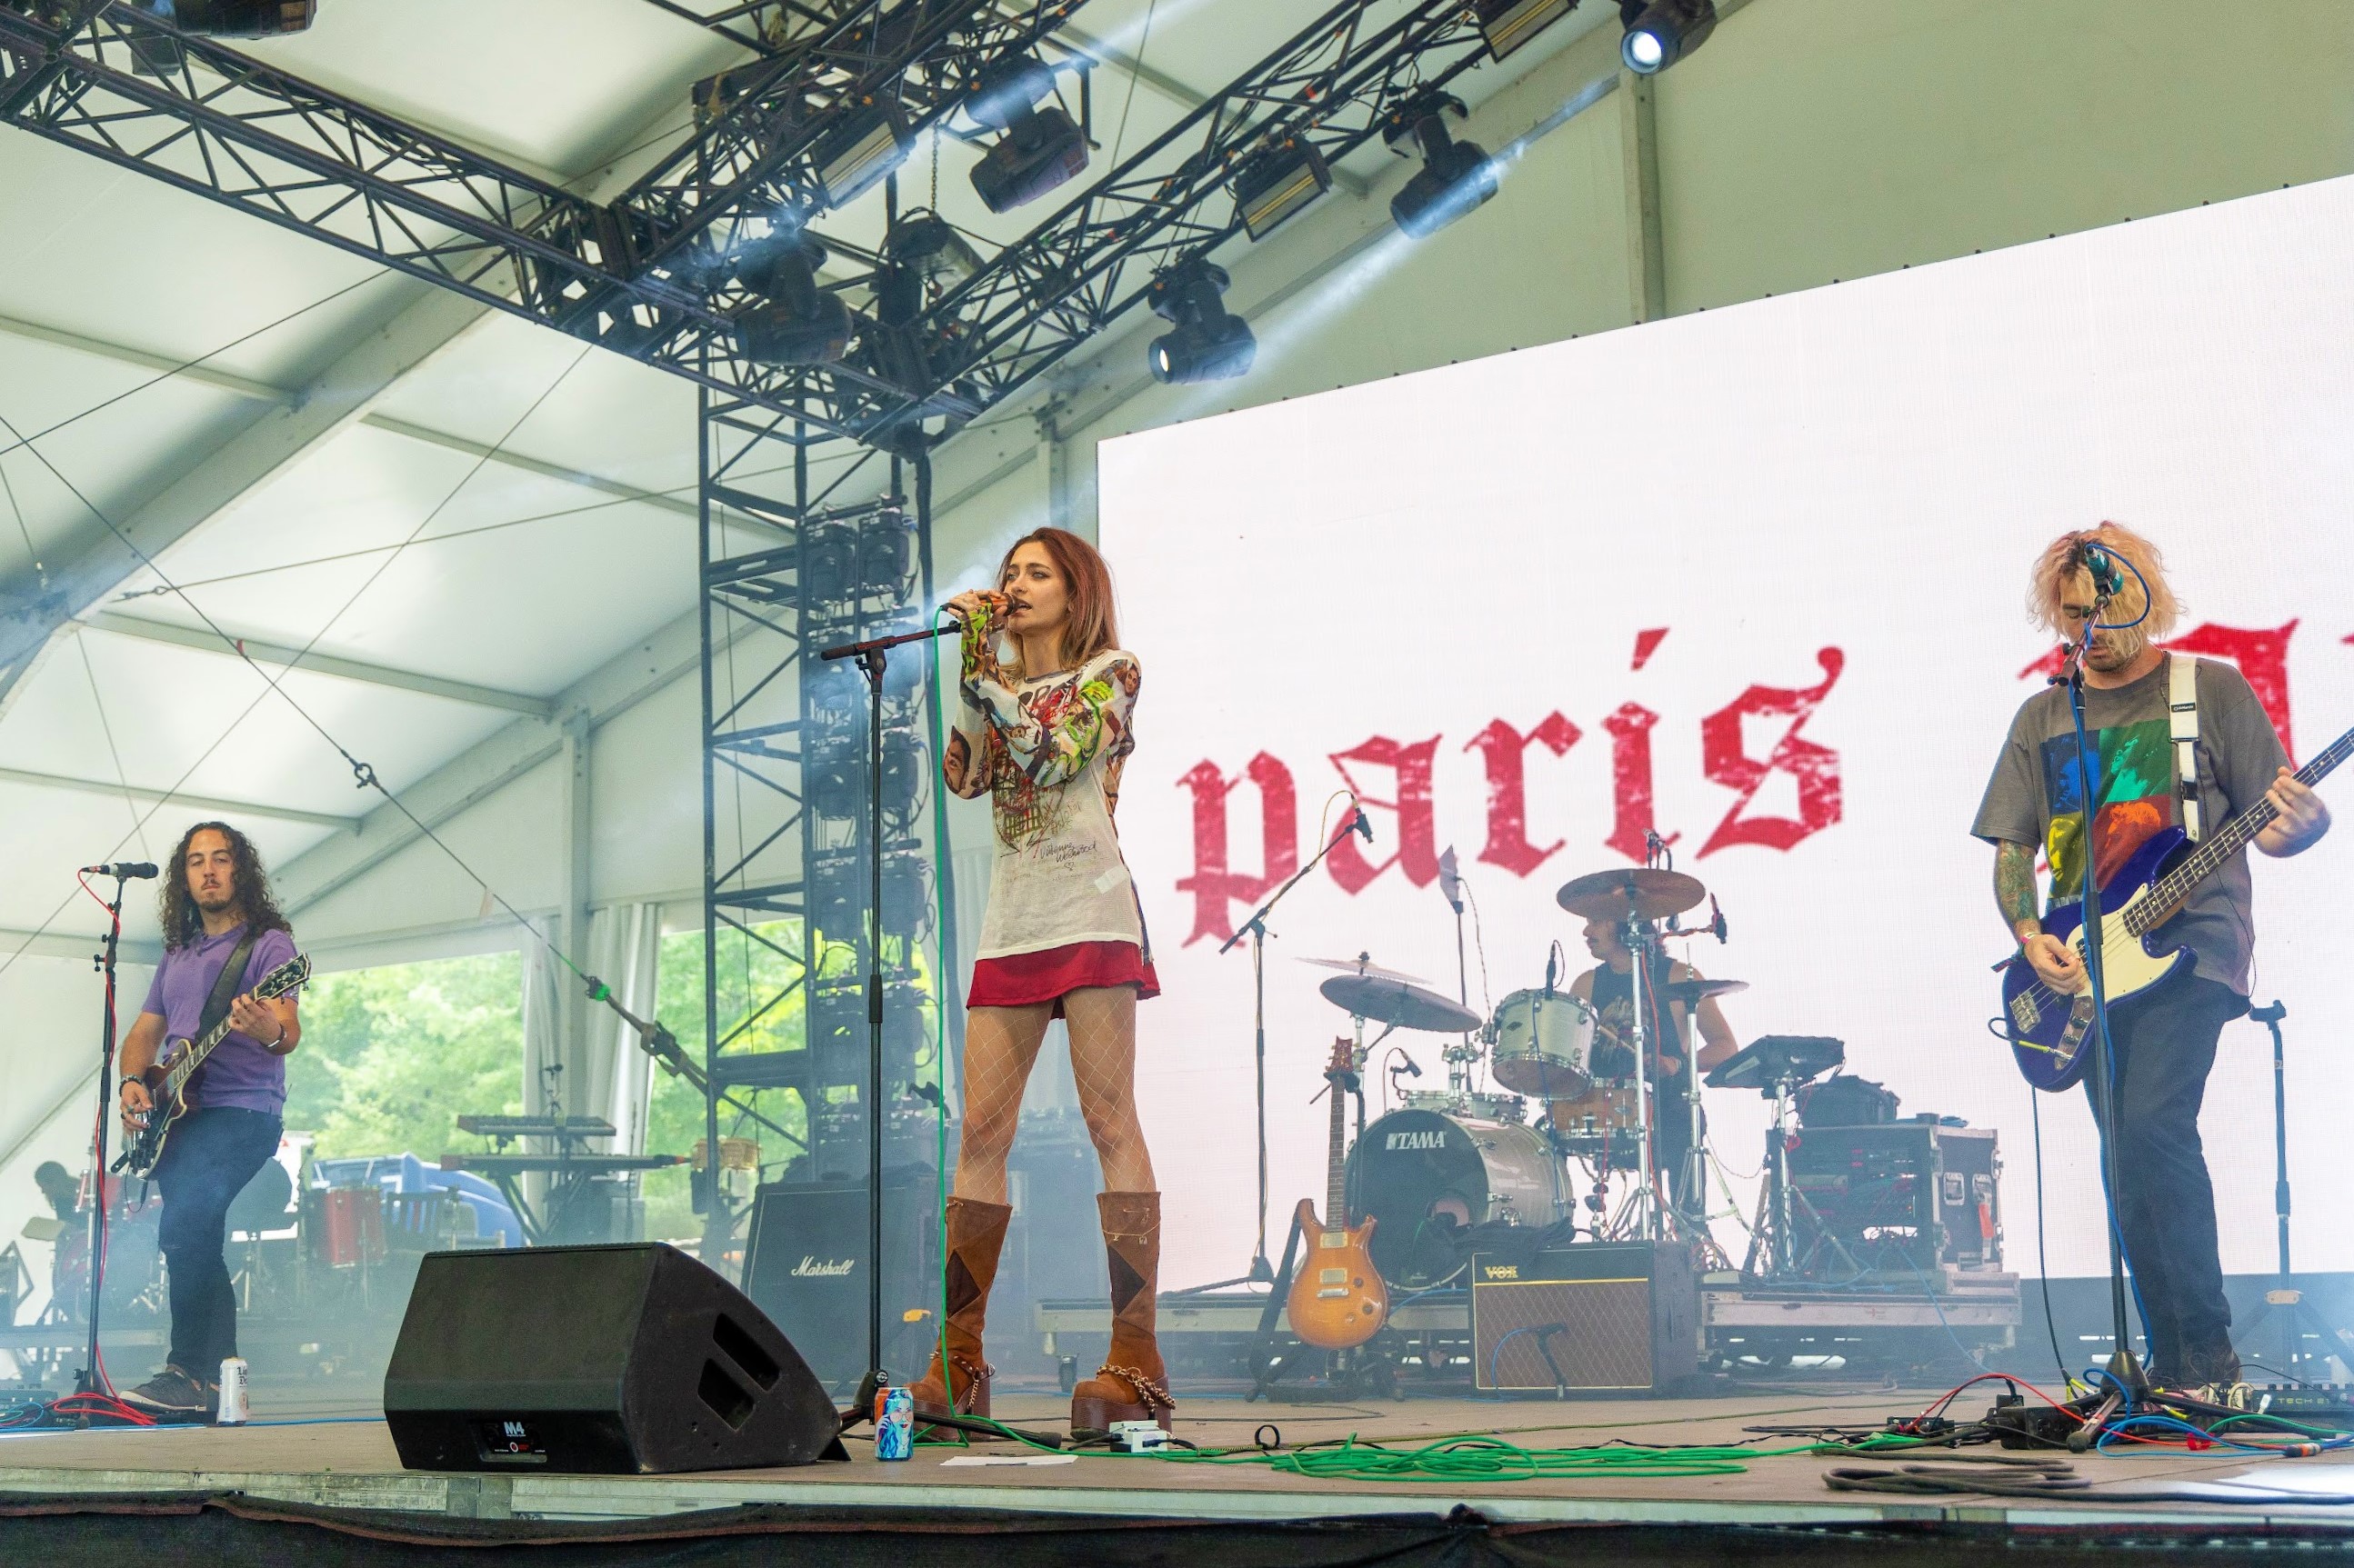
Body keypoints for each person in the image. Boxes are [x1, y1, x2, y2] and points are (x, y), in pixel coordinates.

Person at [1973, 523, 2329, 1391]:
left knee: (2153, 1127)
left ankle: (2207, 1353)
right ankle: (2171, 1362)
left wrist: (2307, 828)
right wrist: (2030, 937)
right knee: (2122, 1155)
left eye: (2106, 601)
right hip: (2087, 965)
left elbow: (2274, 820)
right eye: (2073, 611)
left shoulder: (2207, 688)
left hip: (2194, 949)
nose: (2091, 622)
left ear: (2145, 594)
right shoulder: (2044, 713)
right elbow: (2011, 851)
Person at [912, 525, 1167, 1437]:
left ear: (1075, 590)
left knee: (1108, 1121)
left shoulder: (1114, 673)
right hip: (1014, 918)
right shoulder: (1002, 680)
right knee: (981, 1130)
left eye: (1035, 574)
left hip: (1092, 909)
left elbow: (1056, 752)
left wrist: (990, 674)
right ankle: (960, 1358)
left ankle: (1135, 1359)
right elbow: (968, 774)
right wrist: (976, 671)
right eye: (1007, 573)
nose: (1015, 585)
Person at [116, 822, 301, 1419]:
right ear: (183, 878)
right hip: (179, 1114)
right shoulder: (177, 953)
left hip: (244, 1108)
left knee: (188, 1223)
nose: (209, 870)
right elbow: (146, 1032)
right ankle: (219, 1377)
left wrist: (264, 1026)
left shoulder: (268, 944)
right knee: (187, 1234)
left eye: (221, 858)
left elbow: (286, 1028)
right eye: (196, 861)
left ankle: (187, 1372)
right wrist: (132, 1081)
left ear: (239, 869)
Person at [1565, 916, 1737, 1223]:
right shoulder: (1586, 984)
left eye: (1596, 922)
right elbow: (1568, 1054)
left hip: (1667, 1109)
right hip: (1602, 1111)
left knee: (1686, 1124)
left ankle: (1690, 1233)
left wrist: (1679, 1064)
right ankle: (1558, 1231)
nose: (1586, 931)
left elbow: (1725, 1046)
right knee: (1548, 1134)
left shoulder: (1679, 976)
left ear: (1625, 926)